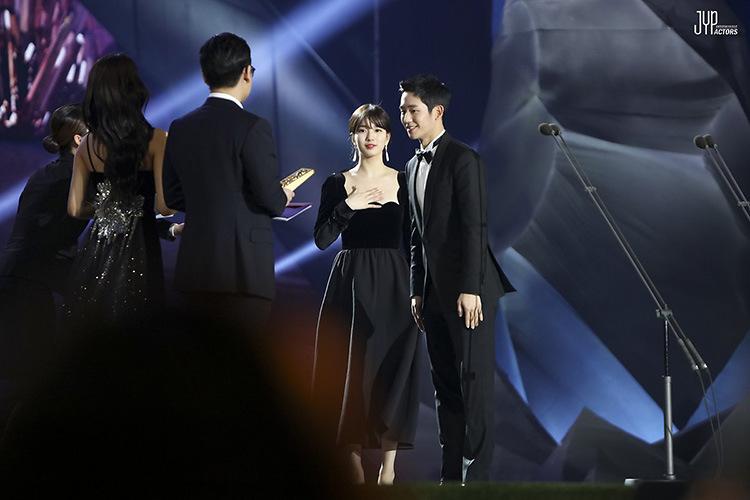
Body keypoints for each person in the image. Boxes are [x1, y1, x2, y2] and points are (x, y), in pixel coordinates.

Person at [399, 75, 515, 483]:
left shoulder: (464, 159)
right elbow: (415, 234)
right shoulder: (411, 166)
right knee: (445, 385)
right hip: (431, 295)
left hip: (471, 293)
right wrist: (416, 290)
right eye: (403, 111)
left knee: (474, 385)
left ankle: (476, 480)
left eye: (413, 110)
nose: (406, 118)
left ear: (437, 112)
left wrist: (470, 287)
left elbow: (474, 227)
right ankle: (451, 479)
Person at [312, 104, 421, 485]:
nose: (370, 136)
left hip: (396, 284)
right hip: (352, 283)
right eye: (362, 130)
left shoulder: (405, 180)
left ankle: (389, 468)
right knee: (353, 368)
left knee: (395, 368)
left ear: (388, 137)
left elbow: (415, 241)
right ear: (353, 137)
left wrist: (420, 290)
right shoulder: (335, 183)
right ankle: (352, 458)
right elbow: (322, 239)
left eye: (377, 130)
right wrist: (349, 205)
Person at [162, 32, 293, 333]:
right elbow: (271, 200)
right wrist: (284, 194)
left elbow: (171, 195)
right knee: (240, 358)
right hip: (243, 272)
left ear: (205, 75)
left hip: (195, 269)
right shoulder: (253, 127)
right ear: (247, 72)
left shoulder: (180, 127)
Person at [66, 53, 174, 326]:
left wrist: (108, 209)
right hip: (142, 249)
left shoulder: (86, 145)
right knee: (139, 330)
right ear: (134, 89)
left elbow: (75, 209)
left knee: (93, 329)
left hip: (97, 250)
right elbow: (164, 207)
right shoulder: (157, 139)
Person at [0, 104, 89, 431]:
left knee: (23, 375)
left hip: (20, 278)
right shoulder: (70, 177)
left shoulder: (50, 173)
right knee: (32, 377)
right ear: (79, 139)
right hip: (31, 283)